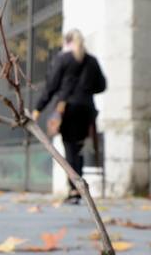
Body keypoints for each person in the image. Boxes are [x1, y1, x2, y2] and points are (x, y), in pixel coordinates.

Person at [33, 29, 107, 204]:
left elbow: (51, 86)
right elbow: (102, 86)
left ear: (66, 42)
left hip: (67, 109)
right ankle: (78, 188)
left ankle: (74, 189)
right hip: (87, 109)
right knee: (79, 149)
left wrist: (38, 109)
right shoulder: (92, 61)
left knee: (69, 149)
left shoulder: (63, 59)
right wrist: (85, 89)